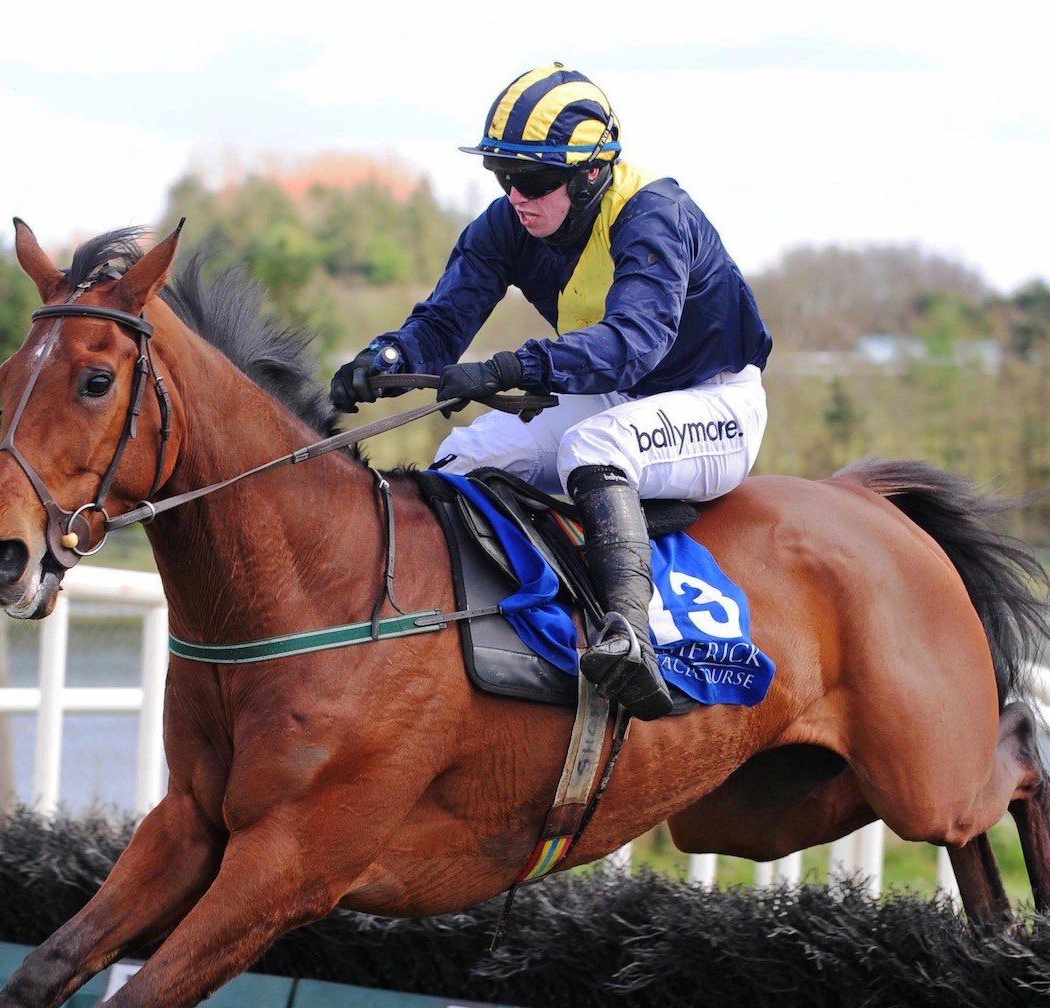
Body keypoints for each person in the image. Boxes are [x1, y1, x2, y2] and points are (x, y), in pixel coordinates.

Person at [329, 63, 773, 720]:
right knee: (465, 455)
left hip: (715, 401)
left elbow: (634, 343)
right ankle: (461, 645)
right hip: (621, 395)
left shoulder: (655, 215)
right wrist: (385, 357)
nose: (516, 195)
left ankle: (630, 639)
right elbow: (445, 321)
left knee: (594, 445)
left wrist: (510, 368)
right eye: (504, 176)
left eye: (534, 180)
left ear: (592, 171)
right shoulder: (507, 225)